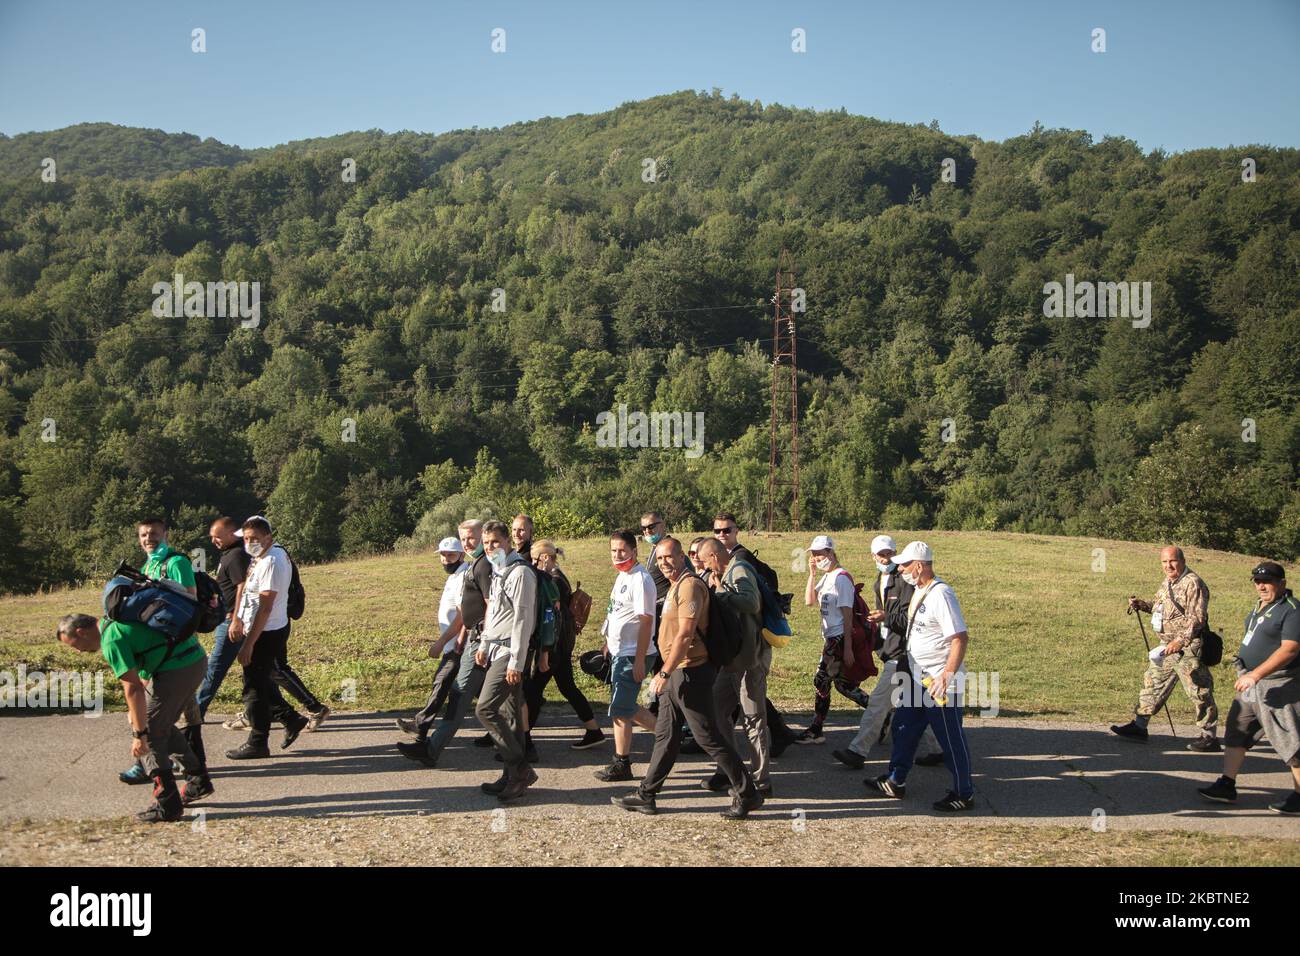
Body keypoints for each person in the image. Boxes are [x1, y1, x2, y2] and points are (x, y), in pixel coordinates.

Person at [611, 538, 764, 819]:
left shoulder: (690, 586)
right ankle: (647, 795)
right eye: (659, 559)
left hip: (690, 671)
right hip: (677, 671)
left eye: (669, 557)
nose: (664, 563)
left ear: (682, 556)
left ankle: (748, 793)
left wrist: (665, 672)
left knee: (707, 736)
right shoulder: (675, 587)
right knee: (666, 736)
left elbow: (685, 634)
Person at [58, 611, 211, 821]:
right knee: (159, 724)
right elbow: (145, 664)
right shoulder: (116, 622)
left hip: (178, 668)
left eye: (74, 644)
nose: (77, 651)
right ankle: (197, 780)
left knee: (151, 733)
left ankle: (168, 805)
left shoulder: (112, 639)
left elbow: (133, 689)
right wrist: (137, 714)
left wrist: (139, 734)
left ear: (81, 632)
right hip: (192, 660)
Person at [864, 541, 976, 812]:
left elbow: (960, 638)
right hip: (916, 679)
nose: (899, 568)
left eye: (904, 564)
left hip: (938, 682)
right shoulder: (919, 591)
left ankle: (964, 793)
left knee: (950, 738)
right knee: (904, 728)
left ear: (920, 565)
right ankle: (895, 780)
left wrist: (947, 675)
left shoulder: (941, 594)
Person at [1197, 562, 1300, 814]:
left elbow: (1290, 648)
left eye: (1268, 581)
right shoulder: (1261, 606)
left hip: (1279, 684)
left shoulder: (1292, 611)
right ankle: (1227, 784)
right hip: (1251, 683)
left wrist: (1256, 673)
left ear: (1282, 583)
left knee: (1289, 739)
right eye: (1257, 581)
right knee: (1237, 729)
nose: (1262, 585)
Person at [834, 534, 942, 769]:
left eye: (890, 554)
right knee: (920, 703)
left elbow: (909, 619)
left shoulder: (903, 582)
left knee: (878, 703)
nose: (886, 559)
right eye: (881, 554)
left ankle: (858, 751)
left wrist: (885, 618)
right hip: (895, 651)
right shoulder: (879, 581)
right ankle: (940, 748)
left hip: (903, 653)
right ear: (872, 555)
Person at [119, 517, 205, 786]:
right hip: (162, 649)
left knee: (157, 715)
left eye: (154, 533)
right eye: (144, 535)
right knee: (186, 713)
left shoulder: (176, 562)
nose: (148, 539)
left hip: (174, 649)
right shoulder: (149, 563)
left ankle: (148, 764)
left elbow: (190, 600)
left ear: (166, 533)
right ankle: (195, 765)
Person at [1111, 546, 1220, 751]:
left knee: (1199, 690)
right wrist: (1142, 605)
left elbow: (1197, 618)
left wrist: (1181, 641)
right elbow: (1161, 608)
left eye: (1173, 561)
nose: (1168, 566)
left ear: (1182, 560)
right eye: (1164, 562)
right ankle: (1139, 726)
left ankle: (1209, 736)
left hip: (1188, 647)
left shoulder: (1193, 583)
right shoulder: (1168, 582)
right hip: (1166, 648)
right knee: (1152, 683)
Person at [710, 513, 799, 757]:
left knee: (750, 705)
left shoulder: (740, 559)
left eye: (726, 530)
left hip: (749, 642)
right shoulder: (728, 560)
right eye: (717, 531)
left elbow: (750, 603)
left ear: (736, 531)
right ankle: (774, 736)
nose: (722, 535)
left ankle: (760, 772)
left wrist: (719, 592)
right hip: (743, 643)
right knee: (741, 701)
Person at [225, 517, 308, 759]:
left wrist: (249, 644)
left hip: (266, 632)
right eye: (247, 539)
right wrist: (237, 619)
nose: (249, 543)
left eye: (255, 539)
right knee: (263, 682)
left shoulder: (271, 561)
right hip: (261, 629)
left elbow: (265, 607)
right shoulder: (261, 557)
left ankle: (258, 742)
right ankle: (291, 718)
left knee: (253, 690)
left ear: (268, 539)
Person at [698, 537, 773, 797]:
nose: (706, 568)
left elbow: (752, 604)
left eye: (706, 562)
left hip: (750, 659)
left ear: (715, 556)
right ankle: (729, 771)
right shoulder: (726, 572)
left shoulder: (738, 569)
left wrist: (720, 591)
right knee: (717, 712)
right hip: (732, 660)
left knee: (753, 719)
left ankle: (761, 781)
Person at [474, 520, 539, 802]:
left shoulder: (520, 573)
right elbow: (496, 614)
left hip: (510, 653)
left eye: (495, 543)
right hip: (497, 649)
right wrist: (485, 644)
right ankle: (512, 777)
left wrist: (516, 662)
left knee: (485, 709)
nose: (490, 548)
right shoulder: (499, 571)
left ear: (508, 543)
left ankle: (522, 769)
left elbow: (523, 621)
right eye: (486, 544)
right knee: (511, 716)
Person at [420, 519, 494, 767]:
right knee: (495, 701)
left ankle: (430, 747)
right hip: (476, 639)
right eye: (463, 539)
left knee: (461, 694)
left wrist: (475, 641)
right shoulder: (478, 565)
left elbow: (488, 607)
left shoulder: (482, 567)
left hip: (479, 640)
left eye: (471, 538)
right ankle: (519, 750)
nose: (467, 543)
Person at [522, 539, 604, 750]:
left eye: (534, 559)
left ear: (546, 558)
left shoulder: (553, 581)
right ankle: (594, 730)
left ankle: (524, 741)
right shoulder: (558, 577)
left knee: (533, 691)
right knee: (567, 687)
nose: (532, 564)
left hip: (554, 646)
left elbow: (550, 619)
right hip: (562, 644)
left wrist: (545, 652)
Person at [793, 535, 873, 745]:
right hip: (830, 637)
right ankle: (882, 714)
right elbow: (810, 601)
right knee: (843, 686)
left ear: (831, 552)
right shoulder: (827, 577)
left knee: (821, 680)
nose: (818, 558)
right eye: (814, 555)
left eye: (821, 554)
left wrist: (848, 648)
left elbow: (847, 616)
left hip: (838, 637)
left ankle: (816, 729)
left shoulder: (841, 578)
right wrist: (811, 574)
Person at [593, 530, 657, 782]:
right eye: (613, 550)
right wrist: (607, 642)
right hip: (620, 652)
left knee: (622, 709)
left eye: (622, 550)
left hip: (633, 654)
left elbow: (645, 621)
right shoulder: (623, 576)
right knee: (623, 708)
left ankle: (625, 761)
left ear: (634, 551)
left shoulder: (640, 579)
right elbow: (615, 612)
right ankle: (667, 736)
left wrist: (640, 659)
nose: (617, 555)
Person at [395, 537, 467, 754]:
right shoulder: (454, 576)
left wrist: (442, 642)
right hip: (452, 646)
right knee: (461, 690)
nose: (446, 559)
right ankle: (421, 728)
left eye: (451, 555)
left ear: (461, 555)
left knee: (442, 683)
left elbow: (464, 615)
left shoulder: (463, 576)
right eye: (443, 555)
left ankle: (421, 727)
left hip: (457, 646)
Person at [195, 517, 248, 720]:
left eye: (217, 536)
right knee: (255, 667)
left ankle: (197, 710)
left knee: (215, 667)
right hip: (227, 619)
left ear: (231, 533)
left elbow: (242, 586)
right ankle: (265, 709)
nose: (214, 541)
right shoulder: (230, 553)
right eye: (212, 537)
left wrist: (236, 617)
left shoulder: (235, 555)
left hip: (231, 621)